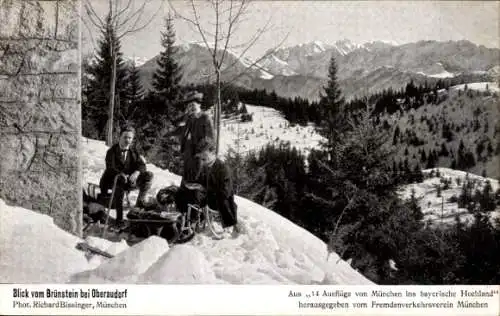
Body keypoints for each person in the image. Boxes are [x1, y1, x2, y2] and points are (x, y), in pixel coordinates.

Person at [176, 140, 239, 233]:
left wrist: (204, 189)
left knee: (195, 195)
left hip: (220, 201)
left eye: (205, 157)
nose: (202, 160)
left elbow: (225, 192)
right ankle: (183, 219)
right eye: (201, 158)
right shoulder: (206, 166)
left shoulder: (223, 169)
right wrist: (193, 184)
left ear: (213, 154)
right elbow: (202, 181)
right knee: (183, 193)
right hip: (207, 196)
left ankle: (191, 223)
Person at [99, 126, 153, 226]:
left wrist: (136, 173)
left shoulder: (133, 151)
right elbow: (110, 168)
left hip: (129, 181)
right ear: (120, 137)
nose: (127, 140)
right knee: (120, 181)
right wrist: (122, 175)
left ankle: (139, 203)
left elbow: (142, 165)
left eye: (130, 138)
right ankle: (119, 219)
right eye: (125, 137)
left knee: (148, 175)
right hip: (113, 180)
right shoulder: (111, 151)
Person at [166, 91, 215, 184]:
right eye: (189, 105)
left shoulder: (205, 118)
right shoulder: (190, 118)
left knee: (195, 182)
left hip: (199, 156)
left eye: (193, 105)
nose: (191, 107)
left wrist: (198, 151)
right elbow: (182, 130)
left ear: (199, 104)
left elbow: (210, 138)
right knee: (186, 180)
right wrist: (168, 134)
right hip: (188, 153)